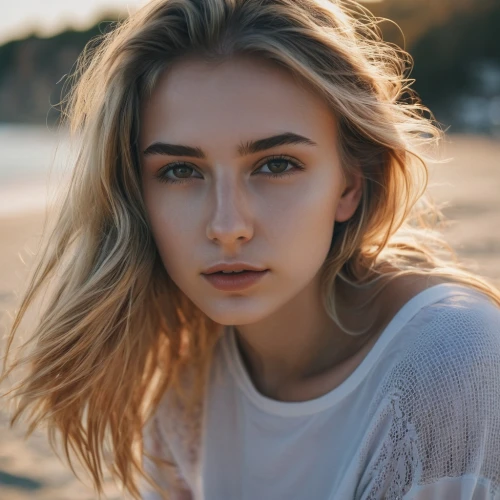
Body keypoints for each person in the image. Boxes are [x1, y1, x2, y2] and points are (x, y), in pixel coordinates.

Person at [2, 0, 500, 498]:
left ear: (351, 183)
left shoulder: (452, 360)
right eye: (180, 171)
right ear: (137, 195)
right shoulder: (182, 375)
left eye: (276, 164)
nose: (226, 227)